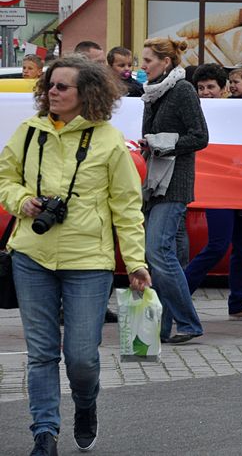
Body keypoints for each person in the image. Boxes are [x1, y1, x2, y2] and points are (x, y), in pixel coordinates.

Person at [0, 56, 151, 455]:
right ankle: (44, 433)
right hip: (31, 256)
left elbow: (127, 205)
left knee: (81, 357)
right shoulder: (29, 133)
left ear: (87, 94)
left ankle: (85, 405)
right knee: (42, 353)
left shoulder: (108, 140)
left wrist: (136, 262)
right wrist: (21, 201)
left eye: (62, 86)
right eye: (50, 84)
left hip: (89, 262)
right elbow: (4, 178)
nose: (52, 91)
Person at [183, 61, 242, 321]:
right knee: (218, 245)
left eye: (211, 87)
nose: (206, 92)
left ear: (224, 90)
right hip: (217, 187)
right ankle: (177, 296)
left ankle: (239, 304)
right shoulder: (194, 113)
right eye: (201, 88)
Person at [140, 37, 209, 344]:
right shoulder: (152, 92)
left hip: (175, 184)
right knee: (167, 256)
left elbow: (200, 136)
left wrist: (162, 142)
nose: (142, 67)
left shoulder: (182, 90)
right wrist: (147, 143)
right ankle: (163, 327)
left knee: (158, 252)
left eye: (148, 61)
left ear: (165, 62)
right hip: (154, 182)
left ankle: (188, 322)